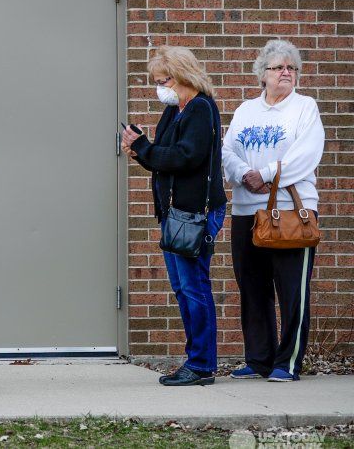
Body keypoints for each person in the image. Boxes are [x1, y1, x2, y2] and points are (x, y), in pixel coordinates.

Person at [121, 45, 226, 386]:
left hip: (194, 213)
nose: (159, 87)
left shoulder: (200, 109)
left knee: (194, 288)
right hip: (174, 214)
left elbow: (185, 157)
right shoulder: (174, 109)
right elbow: (161, 156)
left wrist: (144, 148)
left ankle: (201, 365)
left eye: (163, 80)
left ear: (183, 76)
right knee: (184, 288)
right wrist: (140, 148)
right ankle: (195, 360)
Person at [221, 39, 324, 382]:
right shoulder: (245, 111)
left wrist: (263, 175)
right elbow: (227, 152)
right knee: (252, 287)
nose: (286, 73)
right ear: (261, 74)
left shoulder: (305, 107)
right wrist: (242, 175)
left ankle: (287, 362)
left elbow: (306, 155)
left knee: (293, 290)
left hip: (292, 213)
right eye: (278, 67)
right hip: (247, 211)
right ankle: (259, 359)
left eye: (291, 68)